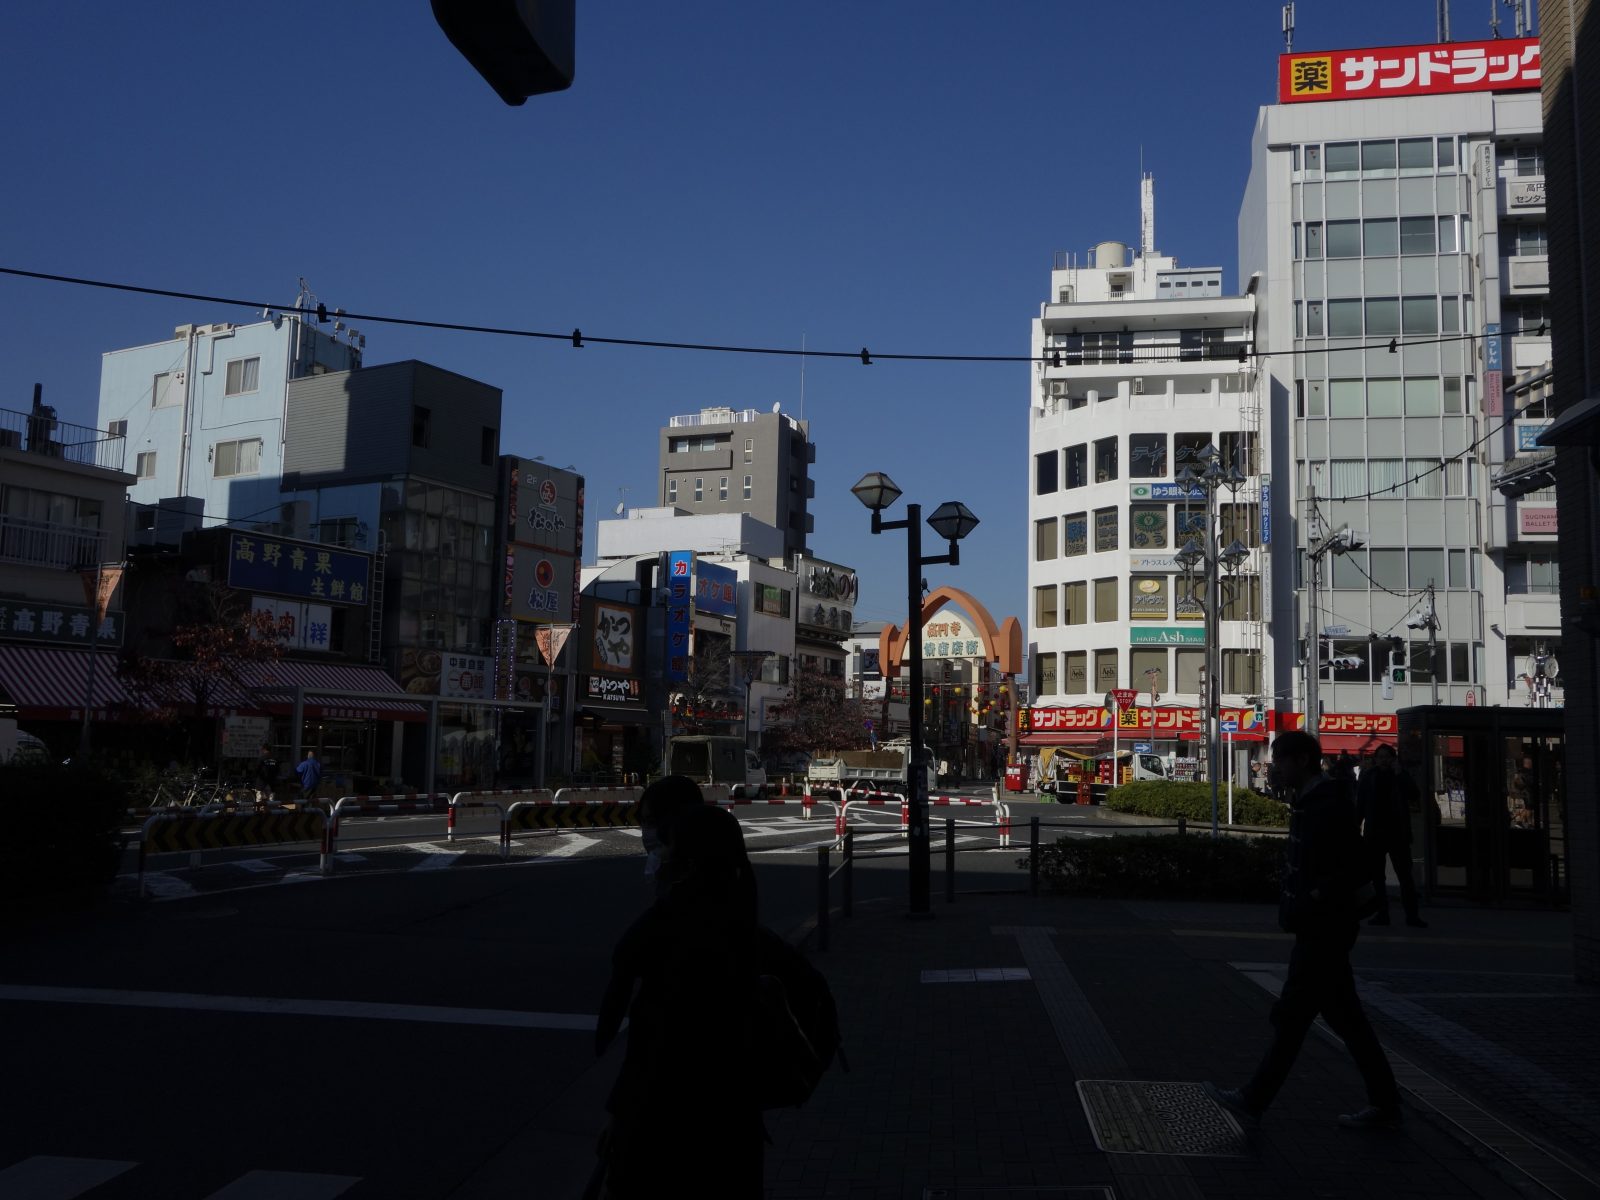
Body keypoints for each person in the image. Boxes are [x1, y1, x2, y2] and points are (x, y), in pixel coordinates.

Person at [1205, 730, 1402, 1132]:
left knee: (1294, 1018)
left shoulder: (1328, 804)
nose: (1274, 768)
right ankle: (1385, 1102)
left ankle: (1254, 1099)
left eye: (1280, 760)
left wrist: (1315, 895)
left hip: (1324, 926)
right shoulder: (1313, 800)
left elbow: (1353, 864)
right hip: (1322, 924)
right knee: (1347, 1020)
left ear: (1302, 761)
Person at [592, 804, 764, 1197]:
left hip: (669, 1126)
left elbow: (655, 1040)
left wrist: (620, 1113)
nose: (656, 858)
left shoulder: (678, 930)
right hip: (733, 1125)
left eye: (664, 849)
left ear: (691, 862)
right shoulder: (737, 913)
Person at [1359, 744, 1426, 928]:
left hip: (1398, 833)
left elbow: (1414, 794)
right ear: (1376, 759)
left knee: (1405, 876)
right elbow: (1361, 804)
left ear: (1393, 759)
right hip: (1375, 833)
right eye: (1380, 757)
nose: (1384, 760)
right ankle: (1382, 914)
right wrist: (1356, 826)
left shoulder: (1399, 775)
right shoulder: (1369, 777)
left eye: (1387, 757)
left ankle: (1412, 916)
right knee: (1377, 878)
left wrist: (1400, 773)